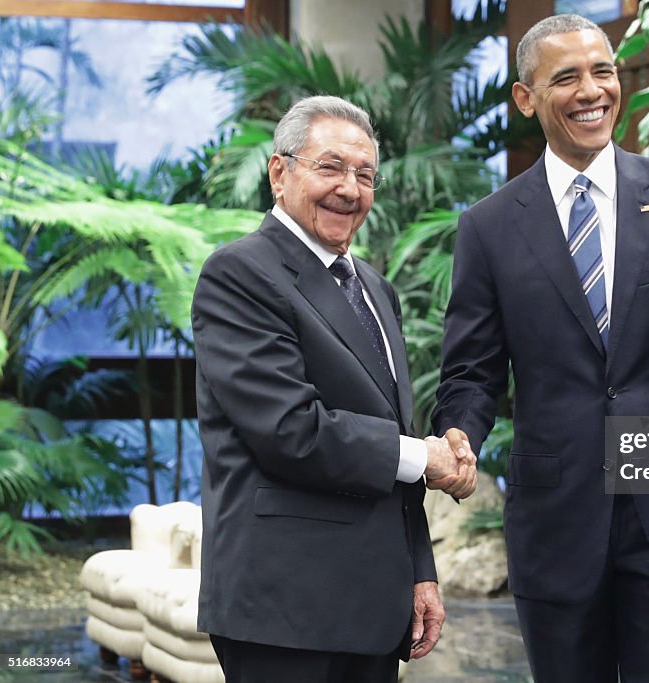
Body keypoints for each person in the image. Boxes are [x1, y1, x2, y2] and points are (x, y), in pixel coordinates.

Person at [432, 14, 649, 683]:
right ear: (527, 99)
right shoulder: (489, 227)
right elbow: (471, 373)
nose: (592, 91)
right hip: (556, 521)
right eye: (567, 77)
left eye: (603, 71)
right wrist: (458, 432)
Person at [192, 95, 477, 683]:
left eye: (365, 174)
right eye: (330, 167)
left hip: (373, 606)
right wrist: (426, 455)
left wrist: (420, 572)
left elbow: (394, 435)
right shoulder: (239, 273)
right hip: (283, 608)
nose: (350, 188)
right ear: (279, 171)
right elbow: (290, 430)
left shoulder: (375, 287)